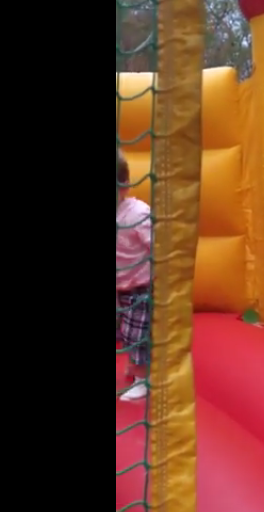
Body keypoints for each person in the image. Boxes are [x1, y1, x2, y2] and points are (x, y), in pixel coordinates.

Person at [116, 149, 152, 401]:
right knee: (126, 332)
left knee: (138, 334)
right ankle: (135, 367)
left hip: (142, 286)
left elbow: (158, 246)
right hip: (121, 286)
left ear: (125, 186)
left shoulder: (137, 214)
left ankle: (143, 380)